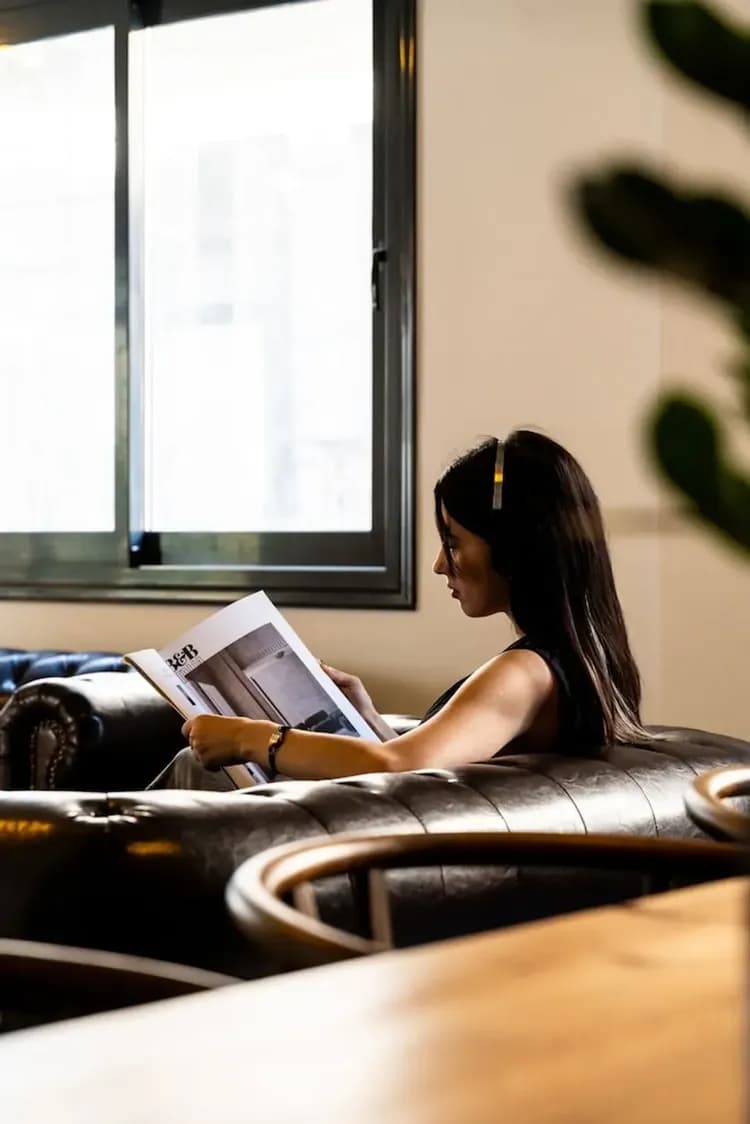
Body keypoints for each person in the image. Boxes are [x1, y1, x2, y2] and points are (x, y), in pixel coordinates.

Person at [149, 429, 652, 791]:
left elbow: (398, 765)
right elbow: (437, 777)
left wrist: (249, 737)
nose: (439, 565)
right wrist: (366, 715)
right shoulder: (582, 659)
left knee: (192, 769)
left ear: (514, 547)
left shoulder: (525, 673)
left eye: (453, 543)